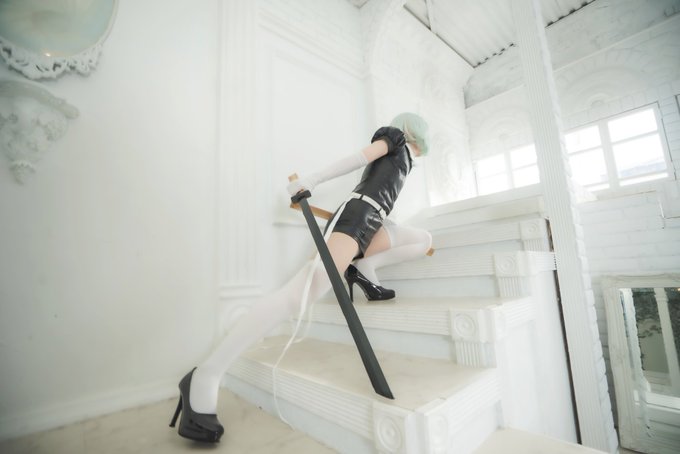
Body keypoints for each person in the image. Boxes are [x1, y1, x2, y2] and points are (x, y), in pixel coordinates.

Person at [169, 112, 433, 442]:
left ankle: (364, 270)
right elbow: (358, 159)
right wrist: (313, 180)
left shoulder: (406, 161)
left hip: (373, 222)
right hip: (355, 217)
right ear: (417, 132)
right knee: (299, 295)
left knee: (423, 239)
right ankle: (205, 375)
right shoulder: (394, 138)